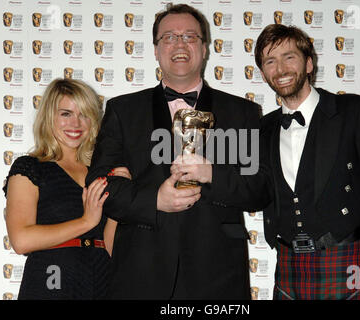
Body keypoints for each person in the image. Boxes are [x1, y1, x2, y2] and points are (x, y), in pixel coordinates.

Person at [192, 24, 360, 300]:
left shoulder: (353, 113)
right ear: (263, 73)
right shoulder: (263, 129)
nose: (280, 69)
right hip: (289, 266)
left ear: (308, 63)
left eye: (289, 57)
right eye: (270, 61)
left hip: (345, 261)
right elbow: (251, 190)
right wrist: (205, 175)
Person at [86, 4, 261, 299]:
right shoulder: (122, 110)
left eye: (190, 37)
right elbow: (99, 186)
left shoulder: (242, 112)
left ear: (204, 48)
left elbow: (259, 188)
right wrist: (154, 199)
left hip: (217, 275)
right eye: (169, 37)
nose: (179, 44)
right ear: (156, 50)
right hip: (141, 272)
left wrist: (212, 174)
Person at [3, 78, 129, 299]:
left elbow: (106, 247)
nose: (76, 124)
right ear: (49, 117)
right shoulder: (30, 168)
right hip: (51, 282)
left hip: (100, 280)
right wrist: (85, 221)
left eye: (84, 114)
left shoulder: (99, 173)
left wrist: (120, 200)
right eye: (66, 114)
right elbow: (21, 241)